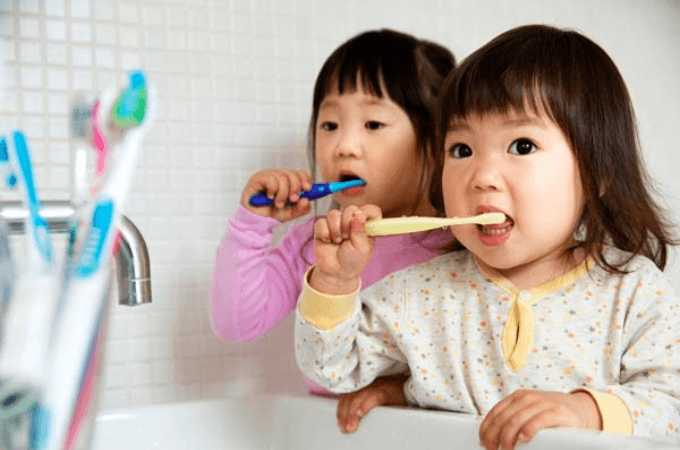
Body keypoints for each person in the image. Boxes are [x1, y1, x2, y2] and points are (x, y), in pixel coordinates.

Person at [294, 24, 680, 449]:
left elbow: (672, 407)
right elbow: (329, 368)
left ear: (597, 172)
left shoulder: (634, 292)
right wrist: (334, 284)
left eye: (521, 146)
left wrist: (586, 410)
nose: (482, 177)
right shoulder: (419, 292)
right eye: (461, 150)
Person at [209, 29, 456, 398]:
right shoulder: (314, 242)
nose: (344, 146)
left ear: (437, 142)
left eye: (373, 124)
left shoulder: (461, 241)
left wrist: (397, 390)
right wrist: (252, 225)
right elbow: (235, 324)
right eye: (329, 125)